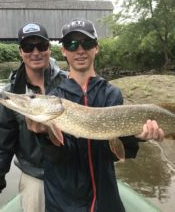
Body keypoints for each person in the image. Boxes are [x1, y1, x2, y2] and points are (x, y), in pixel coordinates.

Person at [31, 18, 164, 212]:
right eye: (72, 44)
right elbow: (58, 158)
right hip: (64, 202)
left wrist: (137, 136)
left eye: (87, 43)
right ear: (64, 51)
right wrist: (44, 134)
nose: (80, 50)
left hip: (105, 198)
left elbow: (114, 153)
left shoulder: (111, 94)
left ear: (96, 48)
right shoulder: (55, 98)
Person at [0, 22, 67, 212]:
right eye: (28, 47)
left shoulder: (70, 83)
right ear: (21, 51)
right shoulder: (9, 95)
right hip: (35, 176)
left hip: (72, 173)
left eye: (41, 46)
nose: (35, 52)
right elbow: (1, 146)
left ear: (49, 49)